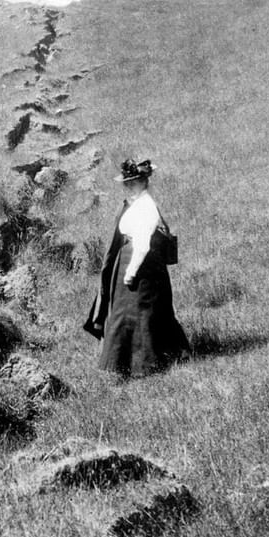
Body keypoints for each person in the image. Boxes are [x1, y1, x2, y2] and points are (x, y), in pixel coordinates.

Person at [83, 158, 190, 377]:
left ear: (144, 182)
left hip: (140, 266)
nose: (128, 186)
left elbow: (142, 244)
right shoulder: (137, 203)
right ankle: (135, 361)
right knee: (133, 313)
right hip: (131, 261)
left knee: (139, 313)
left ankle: (147, 363)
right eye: (126, 182)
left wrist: (131, 273)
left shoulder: (146, 206)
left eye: (133, 182)